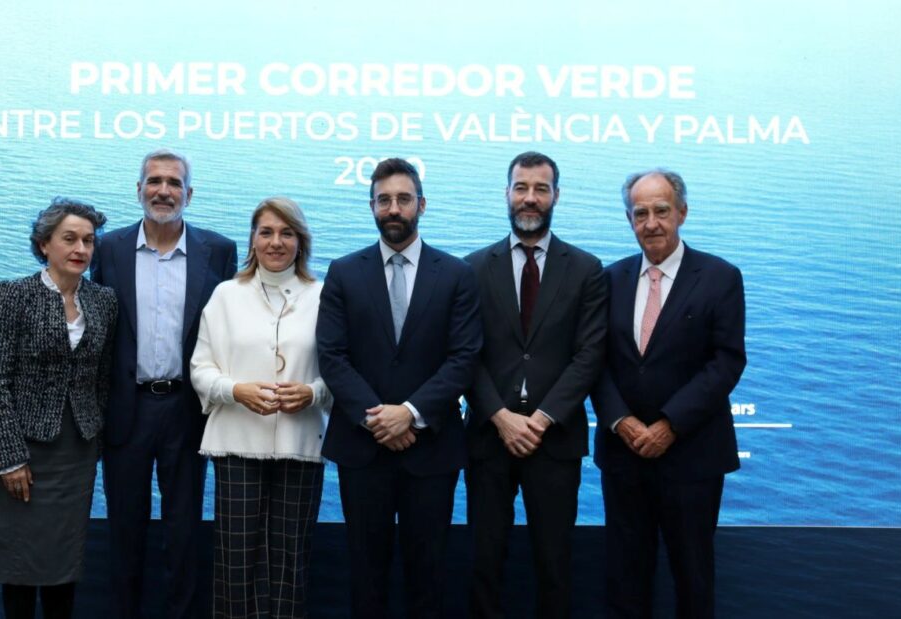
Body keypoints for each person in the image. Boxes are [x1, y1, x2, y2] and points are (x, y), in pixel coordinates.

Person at [316, 158, 482, 619]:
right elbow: (332, 355)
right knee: (365, 573)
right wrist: (379, 417)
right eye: (384, 199)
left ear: (421, 205)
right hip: (362, 446)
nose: (394, 208)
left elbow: (463, 358)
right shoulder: (344, 271)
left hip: (431, 450)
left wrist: (408, 412)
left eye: (403, 199)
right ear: (371, 206)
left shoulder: (456, 274)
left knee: (427, 574)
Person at [591, 169, 746, 619]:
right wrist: (621, 421)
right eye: (641, 214)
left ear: (682, 212)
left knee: (692, 578)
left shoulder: (720, 277)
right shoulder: (609, 279)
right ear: (629, 220)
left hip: (692, 455)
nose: (652, 223)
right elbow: (594, 362)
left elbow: (726, 361)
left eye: (662, 211)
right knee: (625, 577)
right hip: (623, 456)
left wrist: (669, 425)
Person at [92, 149, 238, 619]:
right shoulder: (108, 248)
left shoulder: (219, 250)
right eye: (153, 181)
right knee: (124, 531)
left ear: (189, 194)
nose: (163, 191)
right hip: (126, 409)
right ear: (138, 190)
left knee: (184, 531)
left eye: (174, 183)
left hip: (187, 410)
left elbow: (229, 330)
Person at [463, 152, 607, 618]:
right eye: (521, 187)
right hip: (489, 436)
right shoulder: (472, 268)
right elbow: (466, 355)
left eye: (540, 189)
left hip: (556, 440)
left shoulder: (586, 269)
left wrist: (542, 419)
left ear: (556, 196)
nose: (530, 198)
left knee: (554, 564)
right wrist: (502, 417)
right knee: (484, 562)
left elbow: (589, 356)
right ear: (506, 193)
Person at [190, 197, 331, 619]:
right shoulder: (225, 295)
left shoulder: (323, 296)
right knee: (235, 560)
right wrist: (236, 391)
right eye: (266, 232)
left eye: (286, 233)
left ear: (301, 241)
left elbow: (339, 373)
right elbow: (200, 369)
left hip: (301, 443)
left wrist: (312, 393)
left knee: (291, 562)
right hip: (236, 442)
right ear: (252, 239)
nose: (275, 242)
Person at [0, 197, 117, 619]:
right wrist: (9, 458)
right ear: (44, 245)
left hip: (77, 452)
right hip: (25, 454)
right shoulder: (13, 295)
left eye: (89, 241)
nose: (81, 249)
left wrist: (98, 443)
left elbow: (103, 378)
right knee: (20, 563)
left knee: (64, 562)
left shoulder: (104, 300)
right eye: (69, 239)